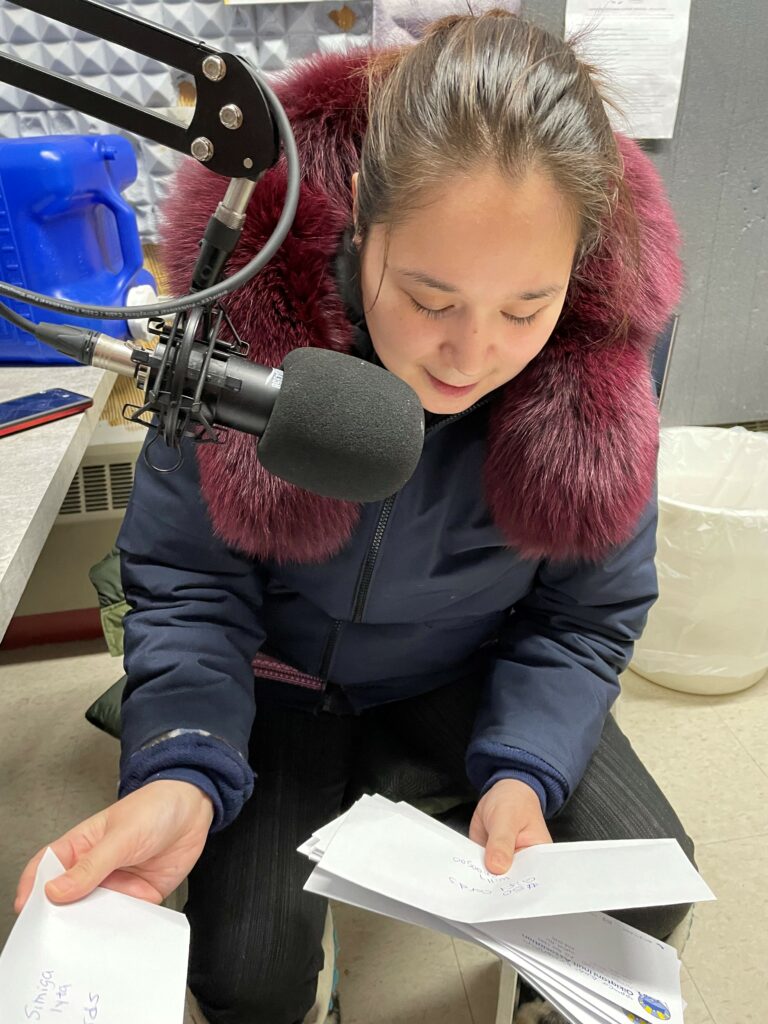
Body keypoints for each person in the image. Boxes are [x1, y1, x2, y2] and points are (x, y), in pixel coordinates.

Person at [16, 12, 695, 1024]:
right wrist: (187, 762)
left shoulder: (597, 378)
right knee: (247, 980)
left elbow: (587, 618)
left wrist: (523, 769)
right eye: (429, 296)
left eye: (524, 309)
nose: (469, 354)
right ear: (360, 231)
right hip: (279, 682)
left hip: (465, 669)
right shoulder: (243, 347)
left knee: (649, 884)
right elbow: (189, 586)